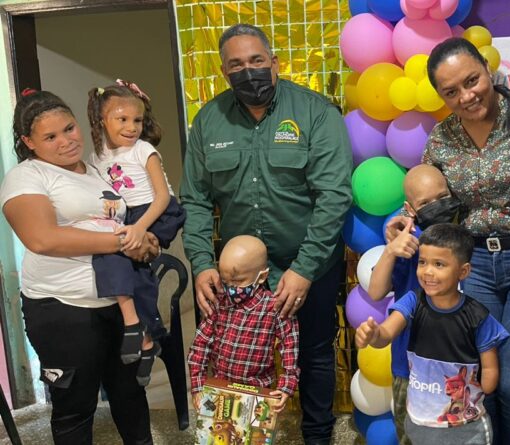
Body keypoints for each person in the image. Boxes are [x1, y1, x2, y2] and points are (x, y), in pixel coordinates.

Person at [180, 23, 352, 445]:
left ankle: (317, 437)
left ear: (274, 62)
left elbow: (334, 196)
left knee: (312, 355)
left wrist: (304, 269)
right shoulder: (208, 122)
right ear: (224, 72)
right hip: (241, 275)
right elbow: (196, 200)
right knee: (234, 363)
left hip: (309, 265)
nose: (248, 70)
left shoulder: (316, 113)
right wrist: (202, 264)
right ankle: (236, 438)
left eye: (257, 60)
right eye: (236, 64)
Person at [386, 36, 510, 445]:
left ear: (488, 70)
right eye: (451, 91)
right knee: (475, 388)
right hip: (471, 268)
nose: (466, 96)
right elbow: (424, 196)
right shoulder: (441, 139)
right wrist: (399, 222)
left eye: (472, 81)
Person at [0, 89, 158, 444]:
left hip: (117, 305)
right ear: (28, 141)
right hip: (63, 309)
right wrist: (123, 243)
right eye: (50, 137)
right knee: (75, 407)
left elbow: (129, 220)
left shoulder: (98, 170)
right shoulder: (27, 177)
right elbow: (43, 238)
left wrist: (145, 242)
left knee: (131, 397)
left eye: (69, 129)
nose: (65, 141)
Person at [356, 223, 509, 445]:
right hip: (419, 426)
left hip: (467, 429)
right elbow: (386, 332)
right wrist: (373, 334)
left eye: (439, 264)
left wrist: (488, 384)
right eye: (422, 262)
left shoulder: (478, 315)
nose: (428, 271)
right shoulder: (411, 301)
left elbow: (489, 362)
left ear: (463, 271)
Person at [85, 79, 186, 386]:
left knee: (133, 257)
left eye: (137, 120)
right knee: (111, 256)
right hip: (128, 216)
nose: (132, 127)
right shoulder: (97, 157)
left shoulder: (143, 150)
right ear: (102, 120)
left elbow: (163, 197)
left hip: (157, 213)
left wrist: (142, 229)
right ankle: (143, 335)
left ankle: (142, 330)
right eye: (122, 119)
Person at [367, 164, 462, 444]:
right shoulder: (408, 242)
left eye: (442, 197)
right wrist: (391, 251)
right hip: (410, 369)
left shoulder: (465, 238)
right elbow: (376, 291)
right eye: (425, 203)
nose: (436, 207)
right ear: (410, 208)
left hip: (458, 368)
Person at [188, 235, 298, 414]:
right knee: (217, 437)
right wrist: (198, 386)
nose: (231, 287)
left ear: (262, 277)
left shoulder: (275, 308)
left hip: (258, 393)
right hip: (219, 389)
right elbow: (200, 346)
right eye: (225, 281)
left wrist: (286, 386)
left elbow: (290, 347)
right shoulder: (218, 302)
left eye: (238, 281)